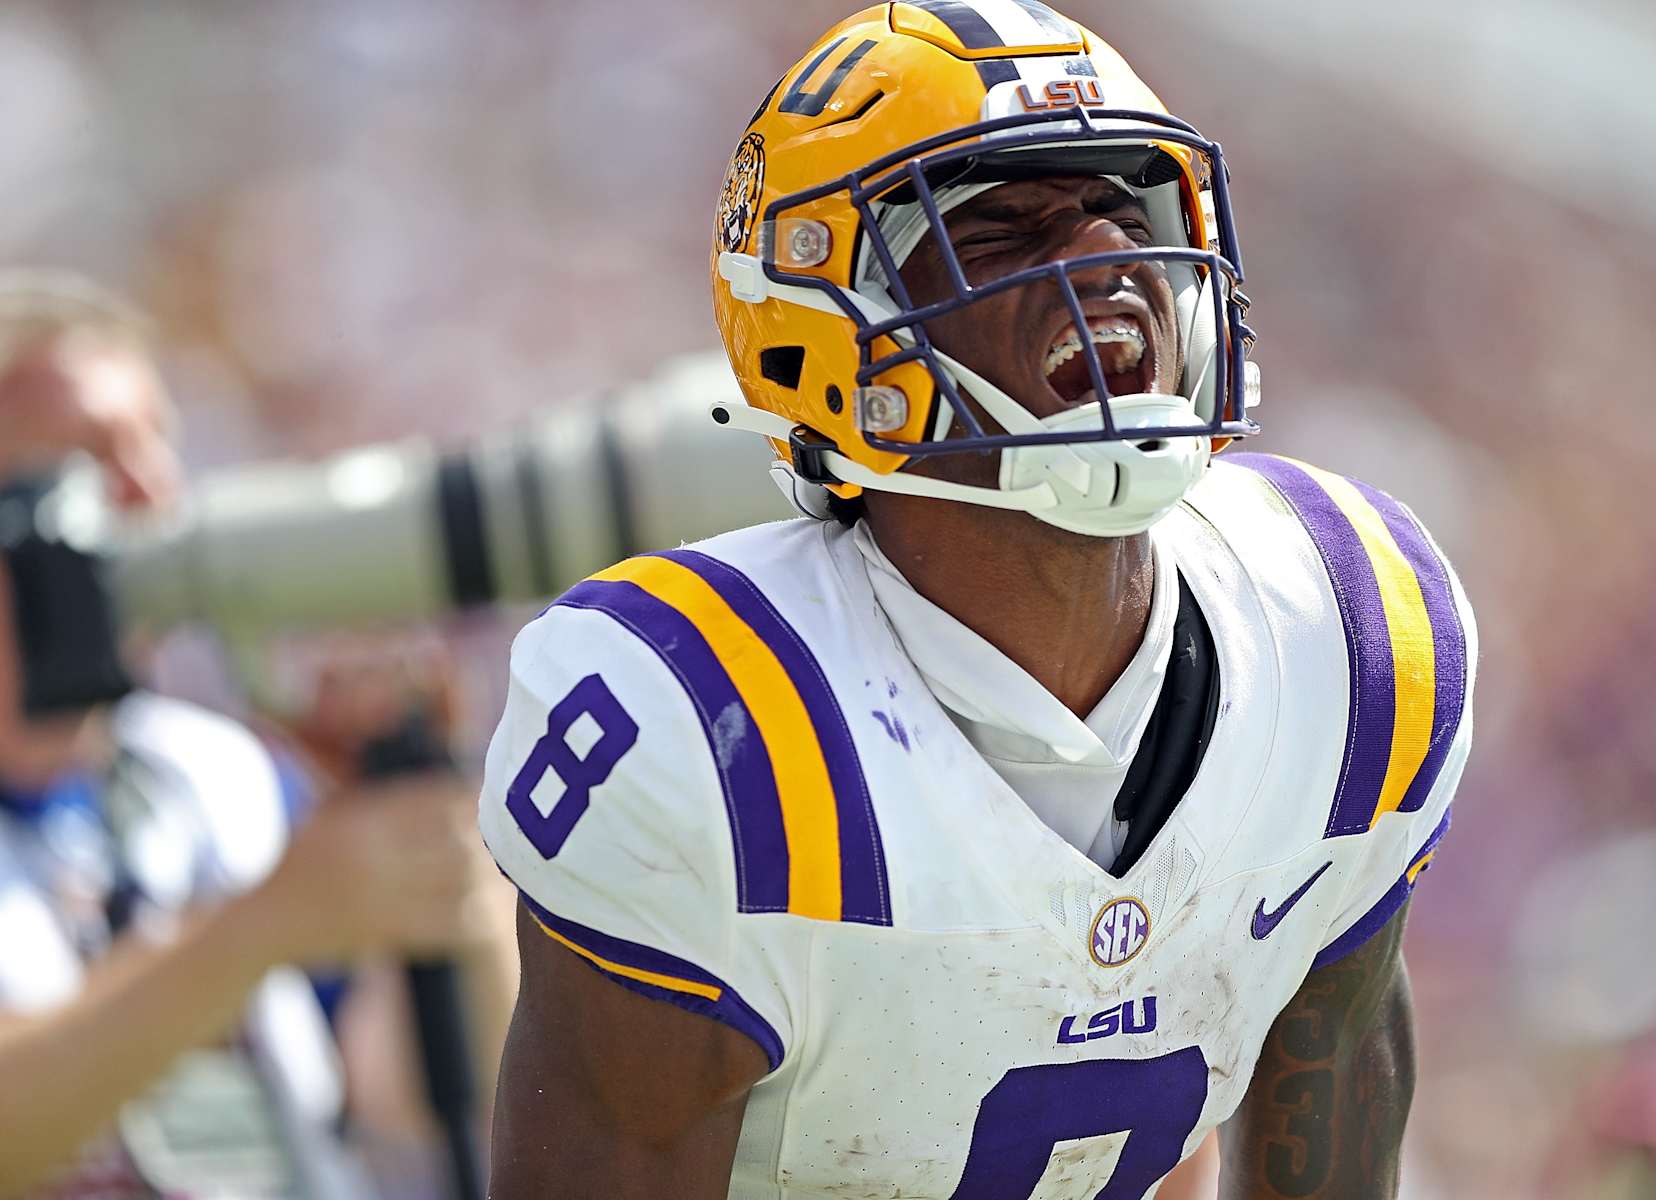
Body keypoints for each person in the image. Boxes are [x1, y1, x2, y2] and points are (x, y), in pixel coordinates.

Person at [480, 4, 1478, 1198]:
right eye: (1003, 226)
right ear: (823, 326)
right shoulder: (705, 723)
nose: (1107, 259)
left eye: (1122, 205)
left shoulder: (1354, 629)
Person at [0, 272, 508, 1199]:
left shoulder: (212, 775)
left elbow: (431, 1092)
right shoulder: (245, 848)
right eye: (89, 457)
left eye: (158, 445)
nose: (154, 494)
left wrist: (420, 819)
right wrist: (260, 927)